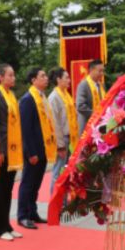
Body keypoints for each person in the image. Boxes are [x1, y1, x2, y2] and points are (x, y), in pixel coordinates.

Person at [0, 63, 23, 241]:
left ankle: (6, 224)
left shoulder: (12, 95)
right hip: (3, 150)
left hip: (14, 149)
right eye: (9, 75)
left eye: (13, 75)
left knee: (8, 189)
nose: (13, 78)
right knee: (1, 189)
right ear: (0, 77)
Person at [17, 67, 54, 229]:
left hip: (43, 148)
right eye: (42, 76)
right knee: (28, 183)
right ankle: (22, 215)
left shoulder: (42, 97)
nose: (46, 78)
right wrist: (30, 152)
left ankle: (32, 212)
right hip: (33, 151)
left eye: (45, 76)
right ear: (33, 80)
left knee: (36, 183)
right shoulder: (27, 99)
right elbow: (25, 129)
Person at [46, 67, 78, 195]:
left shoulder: (66, 94)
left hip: (70, 137)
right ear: (58, 79)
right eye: (66, 78)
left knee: (66, 171)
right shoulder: (54, 97)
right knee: (58, 171)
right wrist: (60, 145)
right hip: (62, 139)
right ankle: (55, 202)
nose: (69, 80)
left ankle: (64, 201)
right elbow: (54, 124)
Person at [74, 59, 106, 136]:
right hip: (87, 126)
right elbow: (80, 106)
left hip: (100, 125)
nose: (102, 73)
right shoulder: (83, 85)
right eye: (100, 71)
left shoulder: (101, 85)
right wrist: (96, 114)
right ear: (91, 70)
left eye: (103, 71)